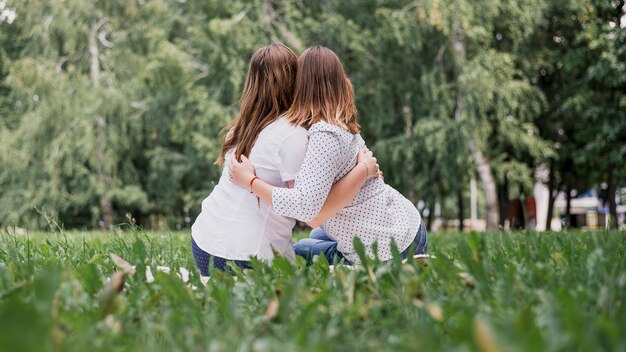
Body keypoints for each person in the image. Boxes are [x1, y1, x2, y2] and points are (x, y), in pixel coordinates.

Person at [191, 43, 378, 276]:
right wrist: (362, 169)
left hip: (202, 244)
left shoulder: (240, 128)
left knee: (318, 238)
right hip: (246, 260)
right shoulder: (293, 136)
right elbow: (307, 208)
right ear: (294, 81)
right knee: (314, 249)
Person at [229, 46, 427, 265]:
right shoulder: (341, 121)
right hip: (407, 224)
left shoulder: (324, 136)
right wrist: (364, 170)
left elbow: (306, 210)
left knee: (300, 249)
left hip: (389, 250)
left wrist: (250, 181)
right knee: (316, 237)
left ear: (302, 85)